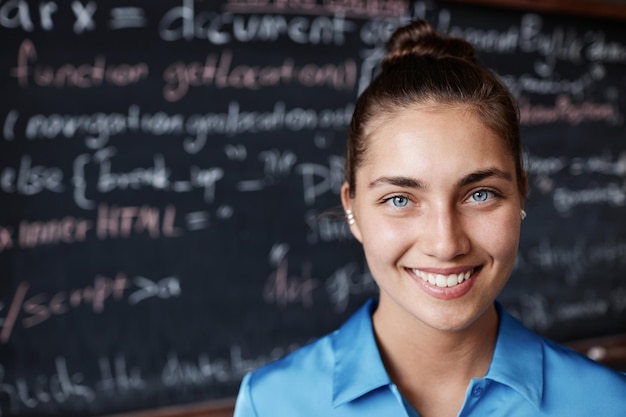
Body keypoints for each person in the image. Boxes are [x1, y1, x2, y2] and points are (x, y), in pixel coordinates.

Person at [233, 19, 626, 417]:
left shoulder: (608, 404)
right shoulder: (271, 403)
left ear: (521, 193)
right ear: (352, 208)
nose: (446, 243)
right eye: (401, 199)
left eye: (479, 194)